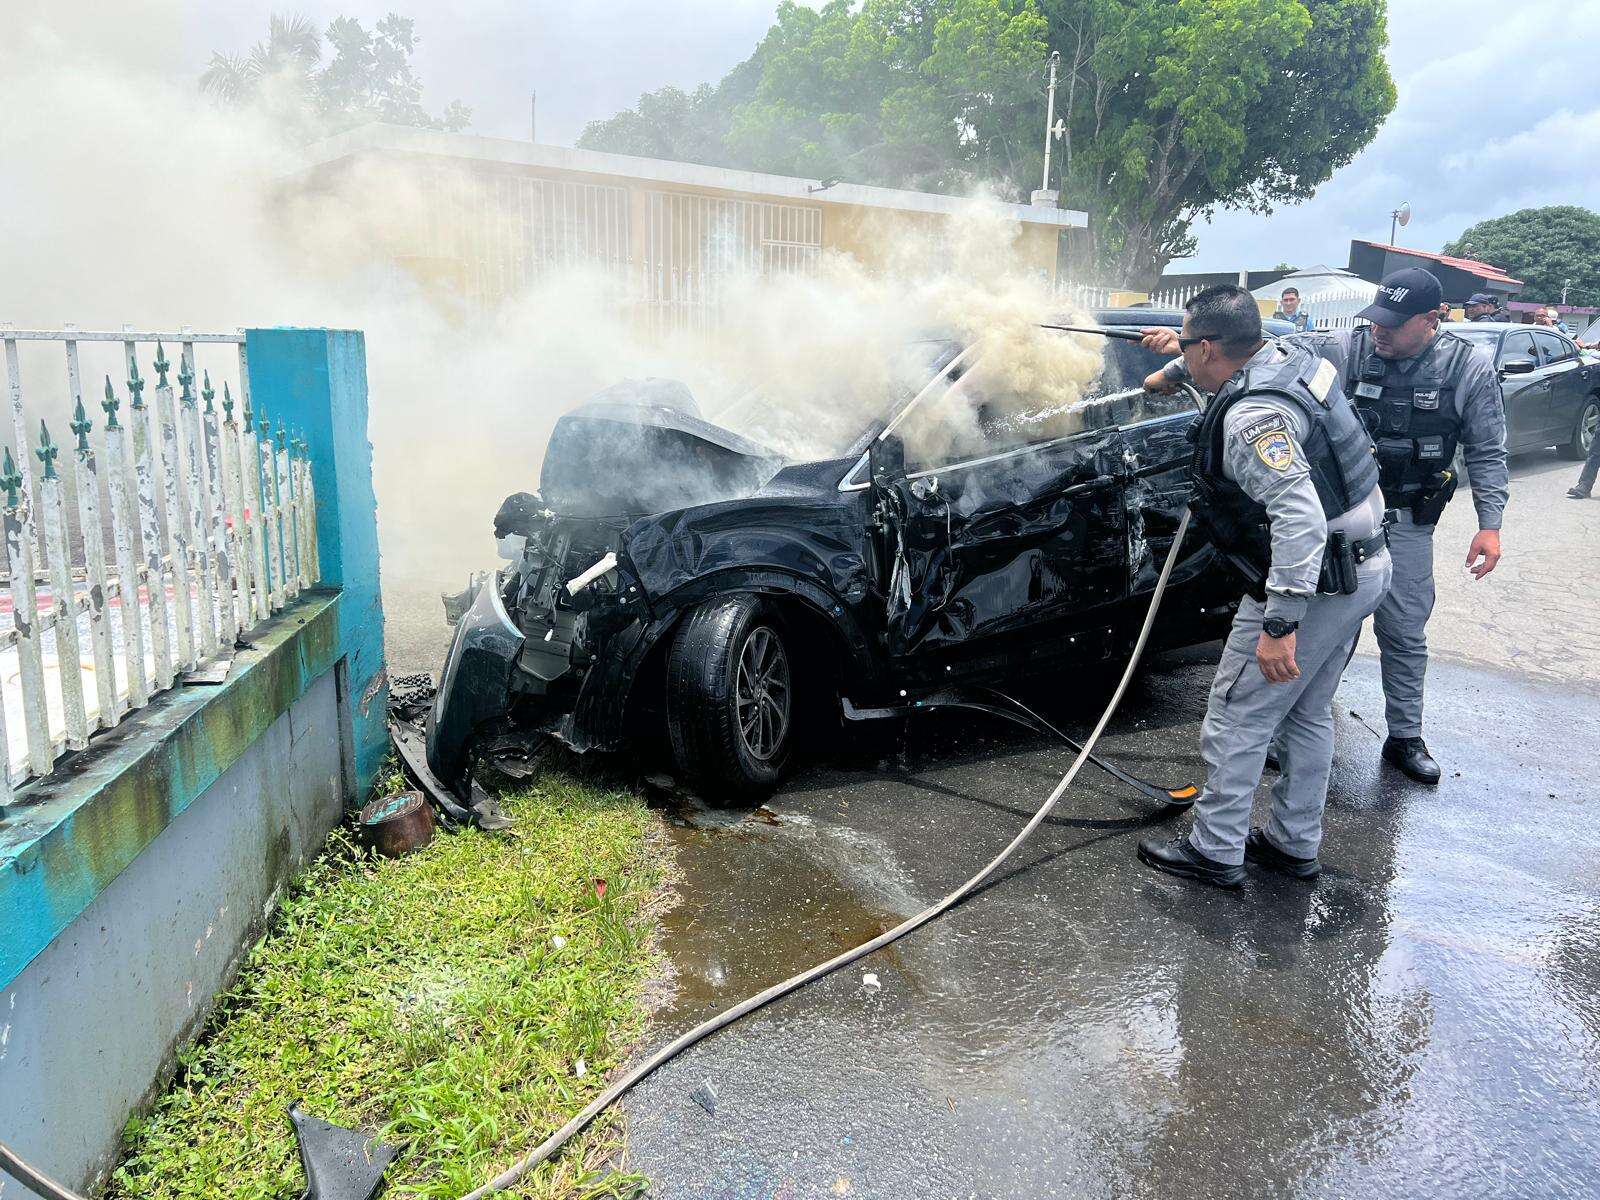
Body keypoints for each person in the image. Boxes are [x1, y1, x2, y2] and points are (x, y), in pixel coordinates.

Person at [1150, 268, 1508, 785]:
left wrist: (1489, 524)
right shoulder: (1346, 346)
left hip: (1402, 519)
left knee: (1403, 633)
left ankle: (1405, 735)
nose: (1379, 331)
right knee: (1317, 663)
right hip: (1331, 522)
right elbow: (1256, 350)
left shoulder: (1465, 367)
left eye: (1394, 324)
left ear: (1431, 319)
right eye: (1376, 320)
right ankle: (1281, 740)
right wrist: (1181, 357)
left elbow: (1489, 450)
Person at [1132, 286, 1391, 888]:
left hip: (1318, 581)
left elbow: (1298, 519)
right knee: (1305, 713)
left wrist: (1279, 624)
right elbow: (1221, 361)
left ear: (1212, 346)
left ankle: (1215, 849)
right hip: (1364, 566)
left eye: (1190, 341)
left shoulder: (1253, 420)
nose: (1186, 349)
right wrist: (1174, 367)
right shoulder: (1291, 352)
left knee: (1237, 711)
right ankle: (1291, 843)